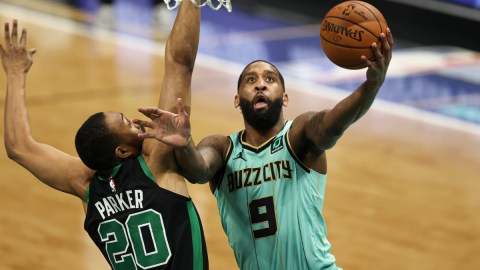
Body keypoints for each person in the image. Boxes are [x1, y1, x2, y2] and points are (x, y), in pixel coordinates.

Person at [133, 28, 394, 269]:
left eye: (270, 79)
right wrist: (185, 143)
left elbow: (333, 123)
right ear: (237, 100)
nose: (260, 84)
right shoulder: (222, 147)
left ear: (285, 97)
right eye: (250, 80)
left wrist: (371, 84)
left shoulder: (298, 135)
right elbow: (198, 171)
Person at [1, 0, 207, 269]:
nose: (136, 122)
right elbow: (180, 63)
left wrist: (16, 75)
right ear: (122, 151)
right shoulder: (156, 163)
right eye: (128, 124)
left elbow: (19, 147)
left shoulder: (85, 184)